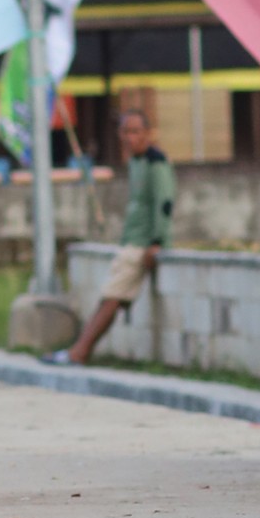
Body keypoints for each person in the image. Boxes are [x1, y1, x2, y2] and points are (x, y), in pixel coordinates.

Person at [63, 95, 175, 367]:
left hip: (142, 244)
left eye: (135, 131)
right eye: (125, 131)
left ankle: (80, 352)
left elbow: (164, 203)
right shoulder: (136, 162)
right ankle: (79, 350)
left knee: (111, 297)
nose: (129, 137)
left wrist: (157, 241)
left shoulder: (156, 162)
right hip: (131, 240)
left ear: (147, 133)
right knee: (111, 297)